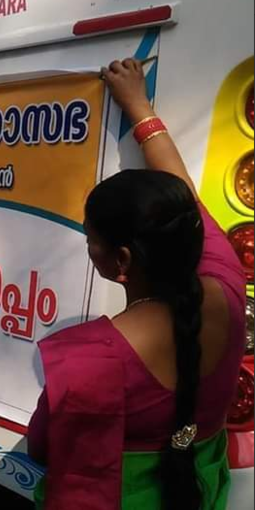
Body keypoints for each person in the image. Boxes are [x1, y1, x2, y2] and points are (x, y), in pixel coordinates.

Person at [28, 58, 246, 510]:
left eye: (90, 240)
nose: (88, 248)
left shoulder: (90, 358)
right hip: (205, 489)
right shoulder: (226, 278)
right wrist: (138, 107)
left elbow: (43, 449)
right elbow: (178, 187)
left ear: (121, 260)